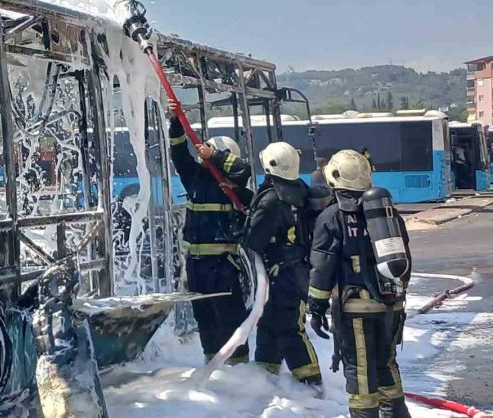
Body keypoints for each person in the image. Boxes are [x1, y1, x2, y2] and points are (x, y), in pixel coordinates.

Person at [308, 150, 412, 418]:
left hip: (356, 310)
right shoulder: (389, 215)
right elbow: (405, 263)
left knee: (360, 371)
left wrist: (316, 307)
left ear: (333, 176)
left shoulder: (332, 217)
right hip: (392, 304)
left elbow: (322, 267)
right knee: (386, 364)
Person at [168, 100, 254, 364]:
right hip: (196, 265)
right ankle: (212, 364)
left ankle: (238, 367)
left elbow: (243, 170)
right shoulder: (194, 178)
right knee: (204, 316)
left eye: (210, 152)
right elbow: (179, 153)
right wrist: (176, 121)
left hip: (223, 266)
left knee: (229, 315)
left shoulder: (236, 188)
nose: (202, 155)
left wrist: (214, 156)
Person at [244, 142, 323, 388]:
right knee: (269, 323)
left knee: (290, 327)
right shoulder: (299, 190)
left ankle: (312, 382)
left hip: (283, 274)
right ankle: (267, 376)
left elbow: (253, 239)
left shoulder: (271, 200)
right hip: (293, 270)